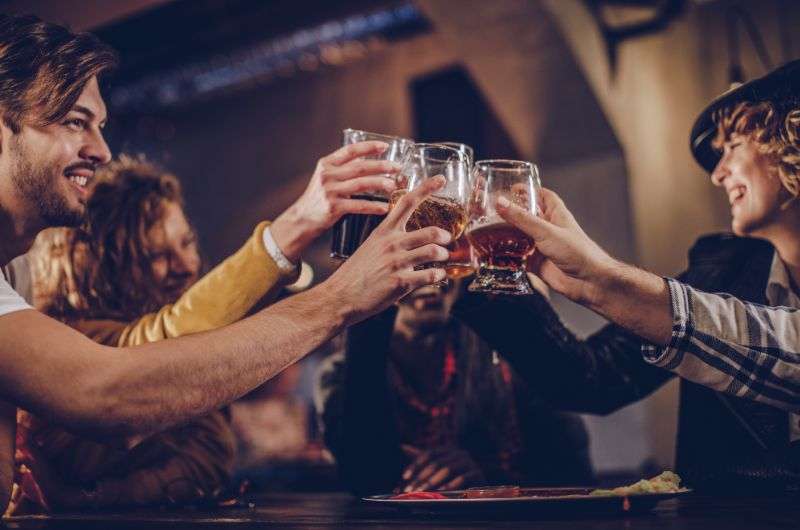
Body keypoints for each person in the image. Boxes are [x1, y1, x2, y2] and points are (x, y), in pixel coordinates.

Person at [0, 13, 451, 511]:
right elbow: (111, 391)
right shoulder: (63, 314)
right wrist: (341, 297)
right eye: (74, 121)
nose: (102, 150)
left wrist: (300, 227)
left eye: (100, 126)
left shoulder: (13, 268)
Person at [453, 59, 800, 493]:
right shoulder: (720, 270)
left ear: (790, 142)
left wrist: (603, 280)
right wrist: (493, 280)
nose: (718, 172)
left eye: (733, 146)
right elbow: (592, 379)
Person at [11, 154, 311, 511]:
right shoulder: (72, 336)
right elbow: (169, 335)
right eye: (155, 255)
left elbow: (209, 454)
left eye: (186, 243)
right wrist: (293, 233)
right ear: (99, 267)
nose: (186, 266)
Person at [316, 281, 593, 496]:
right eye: (410, 256)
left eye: (444, 253)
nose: (431, 273)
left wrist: (487, 478)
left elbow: (574, 472)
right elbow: (361, 477)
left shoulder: (507, 349)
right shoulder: (339, 372)